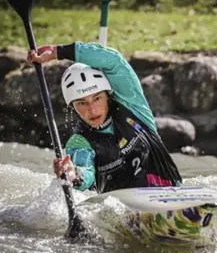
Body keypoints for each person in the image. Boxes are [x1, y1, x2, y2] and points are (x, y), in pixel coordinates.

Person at [27, 41, 182, 193]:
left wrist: (58, 52)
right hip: (126, 214)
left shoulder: (133, 106)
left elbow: (114, 60)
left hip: (172, 193)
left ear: (107, 95)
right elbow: (85, 172)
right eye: (82, 103)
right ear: (73, 107)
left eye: (97, 98)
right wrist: (73, 174)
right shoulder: (80, 141)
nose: (92, 110)